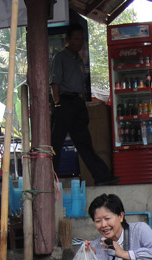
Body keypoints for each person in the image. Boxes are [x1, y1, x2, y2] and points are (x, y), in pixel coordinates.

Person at [49, 22, 119, 186]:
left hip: (77, 103)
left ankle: (102, 176)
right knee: (56, 143)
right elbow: (54, 82)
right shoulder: (61, 57)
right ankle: (50, 178)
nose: (78, 42)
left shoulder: (77, 59)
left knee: (84, 143)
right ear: (68, 39)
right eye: (75, 39)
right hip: (64, 102)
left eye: (80, 39)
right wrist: (57, 103)